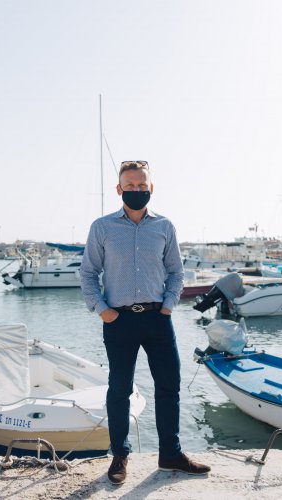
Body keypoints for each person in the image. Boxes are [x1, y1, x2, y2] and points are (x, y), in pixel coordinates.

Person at [80, 160, 211, 485]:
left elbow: (177, 272)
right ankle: (119, 456)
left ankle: (170, 454)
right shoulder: (102, 227)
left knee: (169, 386)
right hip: (118, 320)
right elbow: (87, 272)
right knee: (119, 390)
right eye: (130, 185)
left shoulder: (164, 226)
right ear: (119, 189)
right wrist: (103, 310)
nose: (136, 190)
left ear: (150, 188)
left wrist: (167, 307)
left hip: (157, 318)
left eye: (142, 186)